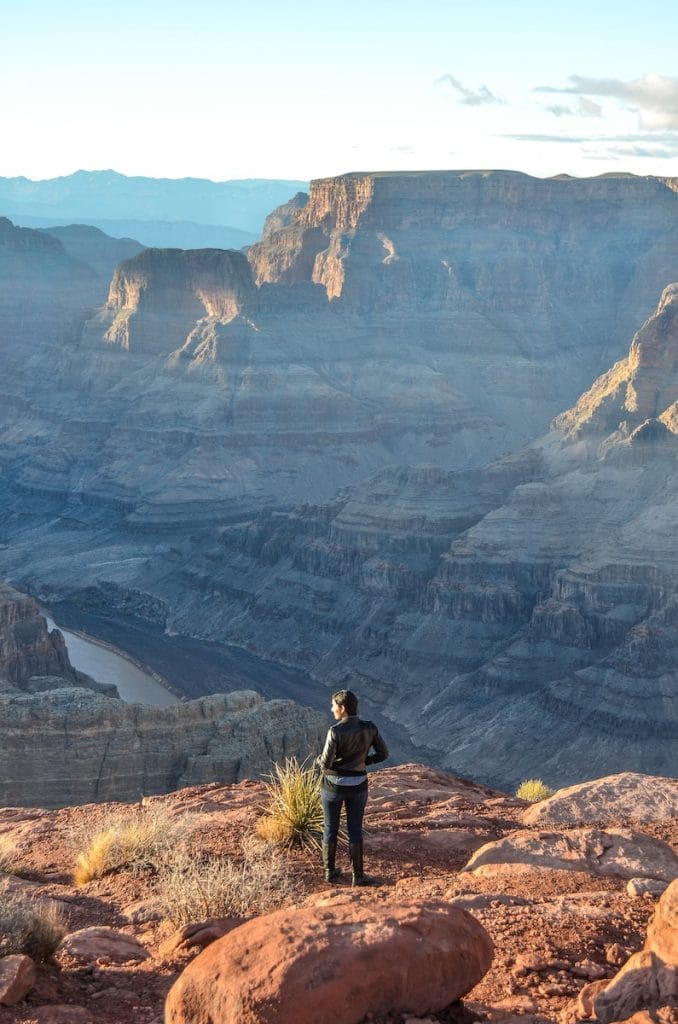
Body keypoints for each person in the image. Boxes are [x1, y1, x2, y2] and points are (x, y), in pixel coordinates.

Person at [317, 688, 389, 886]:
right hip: (358, 786)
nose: (332, 710)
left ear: (342, 708)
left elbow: (325, 763)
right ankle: (358, 876)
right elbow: (383, 754)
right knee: (355, 829)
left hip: (333, 786)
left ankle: (329, 872)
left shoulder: (335, 731)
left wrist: (320, 762)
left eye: (333, 706)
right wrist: (365, 762)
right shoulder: (370, 728)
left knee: (330, 827)